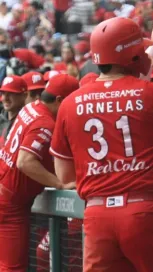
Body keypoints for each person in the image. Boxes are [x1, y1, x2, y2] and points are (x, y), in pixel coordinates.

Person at [49, 8, 153, 272]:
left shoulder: (70, 102)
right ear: (132, 55)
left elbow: (64, 174)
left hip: (97, 218)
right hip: (144, 211)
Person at [0, 74, 78, 271]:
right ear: (60, 100)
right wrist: (59, 183)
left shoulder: (30, 107)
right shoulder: (45, 122)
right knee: (13, 267)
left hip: (6, 192)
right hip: (10, 204)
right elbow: (25, 162)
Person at [0, 75, 27, 147]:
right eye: (3, 93)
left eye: (11, 93)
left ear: (24, 96)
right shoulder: (1, 118)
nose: (5, 98)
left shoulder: (26, 123)